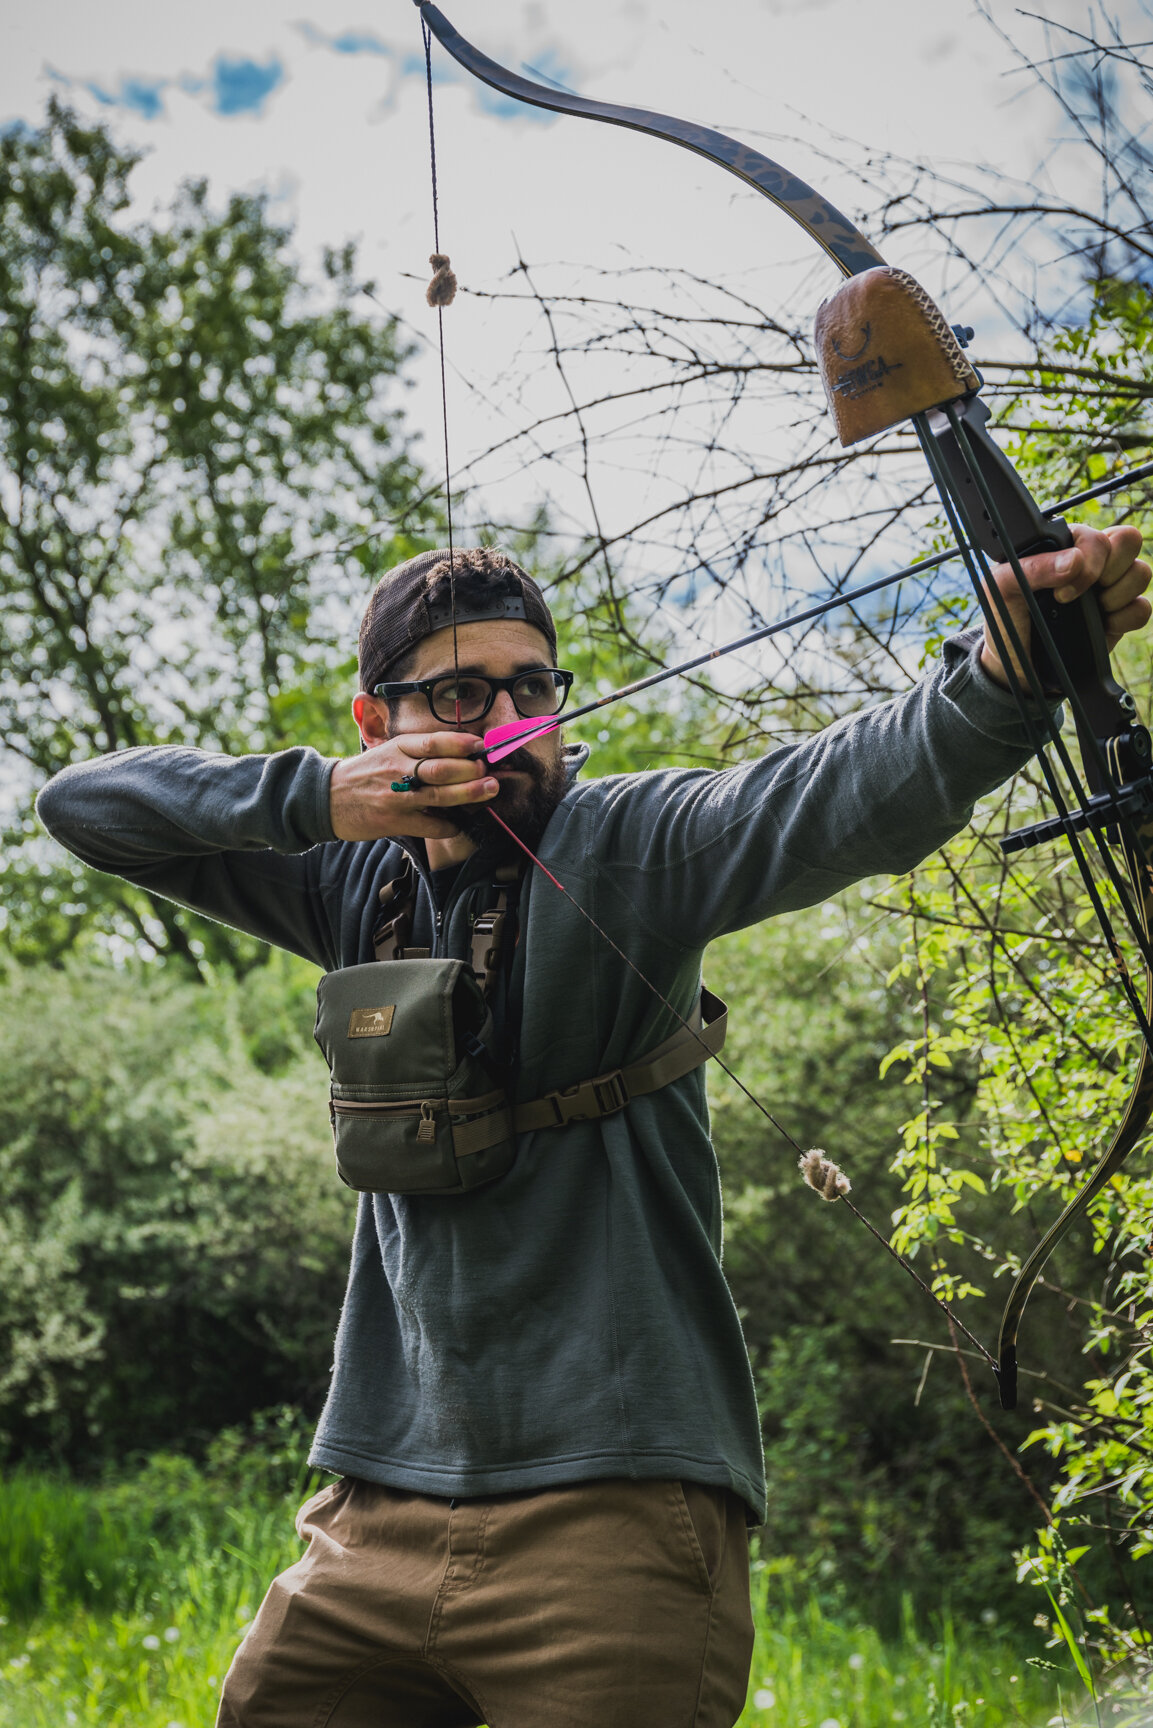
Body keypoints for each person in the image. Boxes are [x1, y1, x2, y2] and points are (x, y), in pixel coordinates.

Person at [36, 529, 1150, 1728]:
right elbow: (83, 808)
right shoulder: (344, 880)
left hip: (615, 1516)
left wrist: (1007, 671)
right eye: (462, 693)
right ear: (377, 723)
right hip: (371, 1509)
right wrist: (311, 799)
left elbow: (837, 795)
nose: (509, 717)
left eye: (533, 687)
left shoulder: (630, 844)